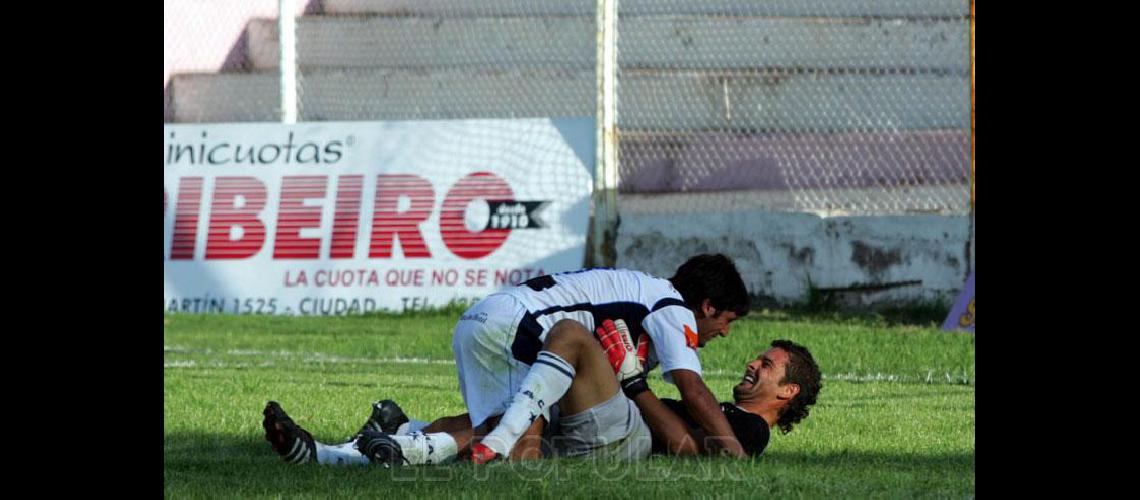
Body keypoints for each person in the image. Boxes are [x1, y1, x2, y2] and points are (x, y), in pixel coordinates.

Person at [264, 254, 751, 465]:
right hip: (521, 327)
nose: (720, 333)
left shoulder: (638, 291)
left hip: (482, 317)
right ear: (706, 306)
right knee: (514, 450)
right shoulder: (670, 305)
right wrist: (732, 449)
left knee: (484, 428)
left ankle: (345, 452)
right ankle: (406, 450)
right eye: (725, 321)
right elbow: (692, 387)